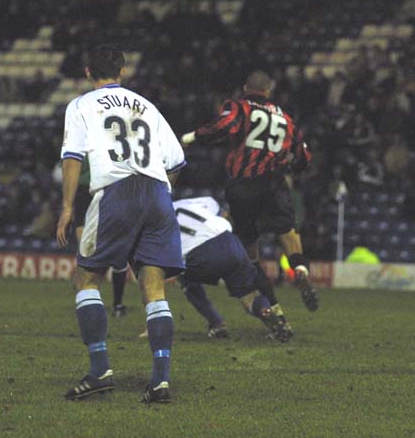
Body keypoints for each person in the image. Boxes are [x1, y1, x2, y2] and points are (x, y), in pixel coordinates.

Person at [56, 44, 186, 404]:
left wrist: (67, 207)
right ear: (122, 72)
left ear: (87, 72)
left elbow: (72, 157)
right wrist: (158, 194)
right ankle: (160, 381)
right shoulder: (147, 105)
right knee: (154, 285)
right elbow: (176, 159)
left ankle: (99, 371)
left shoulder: (81, 105)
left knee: (85, 278)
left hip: (117, 191)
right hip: (159, 191)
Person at [181, 71, 318, 337]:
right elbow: (303, 158)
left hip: (243, 185)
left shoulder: (238, 106)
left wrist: (191, 138)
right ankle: (300, 270)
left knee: (250, 256)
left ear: (246, 88)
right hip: (275, 184)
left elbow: (224, 127)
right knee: (289, 234)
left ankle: (276, 314)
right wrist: (289, 164)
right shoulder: (286, 118)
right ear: (269, 90)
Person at [169, 196, 291, 342]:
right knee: (249, 298)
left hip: (199, 253)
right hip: (229, 242)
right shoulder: (195, 202)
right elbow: (224, 212)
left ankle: (217, 323)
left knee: (184, 278)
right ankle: (266, 312)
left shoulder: (157, 216)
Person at [72, 156, 130, 317]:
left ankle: (88, 302)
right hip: (109, 189)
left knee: (86, 253)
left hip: (90, 190)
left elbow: (70, 167)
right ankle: (116, 305)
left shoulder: (82, 144)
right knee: (118, 252)